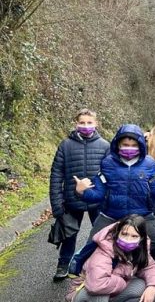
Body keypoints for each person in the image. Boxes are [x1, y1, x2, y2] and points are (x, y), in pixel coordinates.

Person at [74, 124, 155, 252]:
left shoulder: (149, 163)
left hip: (143, 215)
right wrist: (81, 192)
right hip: (111, 215)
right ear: (118, 145)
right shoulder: (107, 163)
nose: (129, 148)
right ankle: (77, 270)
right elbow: (98, 194)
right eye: (125, 145)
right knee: (89, 248)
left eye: (133, 145)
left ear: (141, 146)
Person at [49, 108, 110, 281]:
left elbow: (109, 174)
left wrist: (106, 197)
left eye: (89, 122)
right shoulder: (65, 145)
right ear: (76, 124)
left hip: (96, 200)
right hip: (71, 199)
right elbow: (56, 175)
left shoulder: (105, 146)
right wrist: (56, 204)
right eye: (82, 122)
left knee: (101, 235)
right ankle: (63, 265)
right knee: (69, 235)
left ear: (96, 124)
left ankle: (99, 266)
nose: (85, 126)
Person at [66, 214, 155, 302]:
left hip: (111, 287)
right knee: (101, 296)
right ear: (117, 233)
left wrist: (152, 286)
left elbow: (152, 268)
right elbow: (96, 285)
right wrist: (123, 282)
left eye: (134, 236)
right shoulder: (103, 250)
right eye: (124, 234)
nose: (128, 240)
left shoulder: (139, 249)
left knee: (142, 286)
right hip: (84, 292)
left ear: (141, 238)